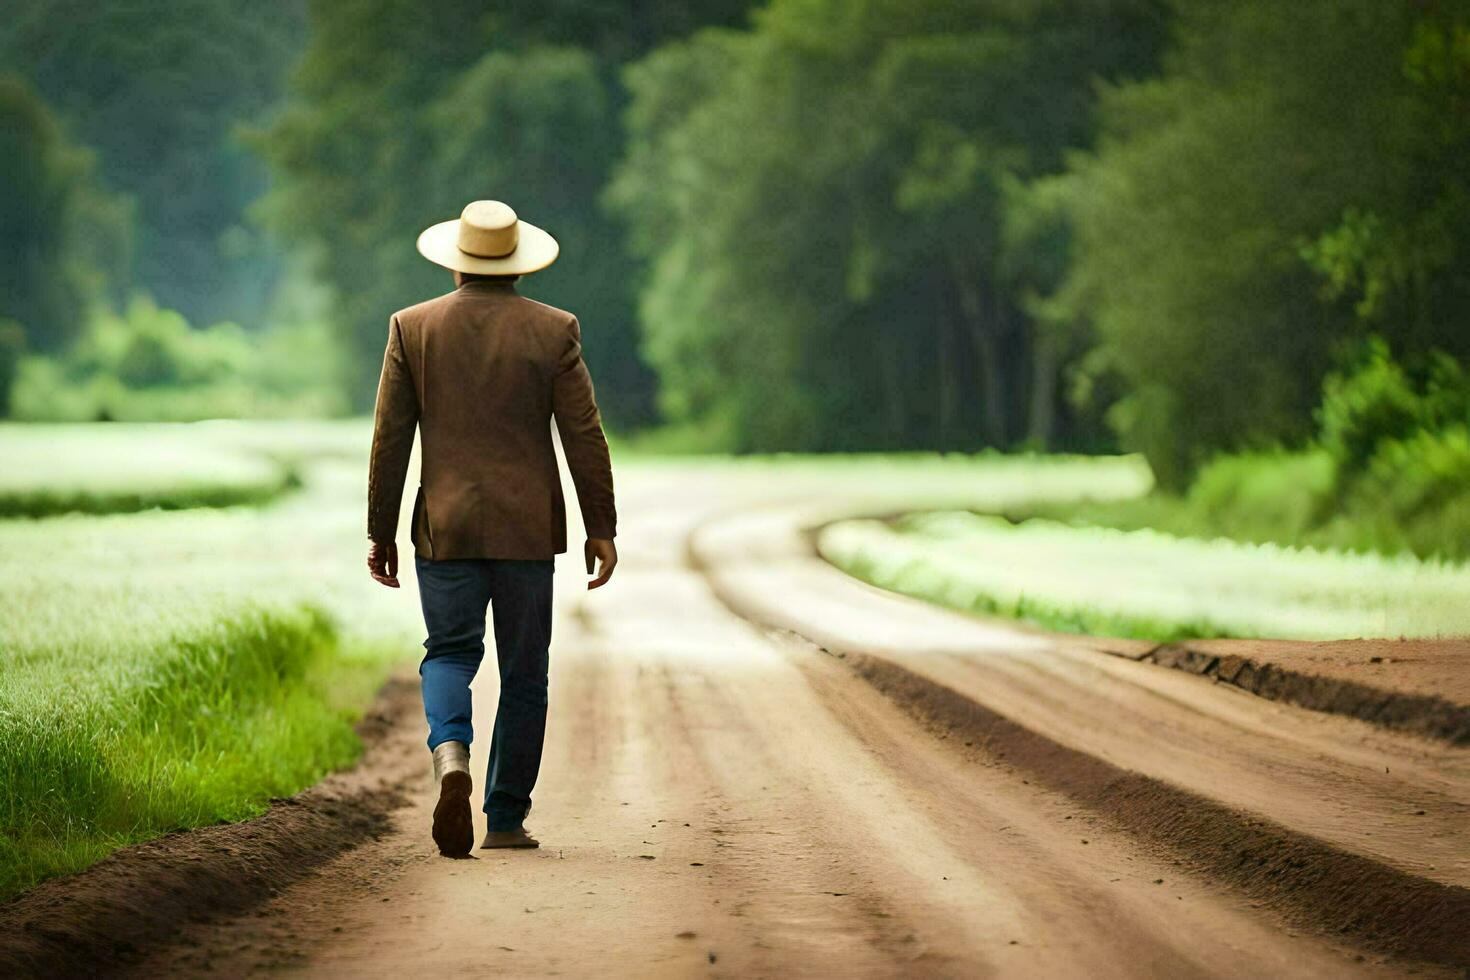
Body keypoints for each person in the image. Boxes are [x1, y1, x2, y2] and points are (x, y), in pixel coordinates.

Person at [365, 200, 618, 856]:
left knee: (449, 652)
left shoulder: (411, 328)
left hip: (444, 527)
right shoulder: (554, 329)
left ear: (456, 264)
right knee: (525, 671)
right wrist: (601, 525)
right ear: (518, 267)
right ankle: (504, 819)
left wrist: (381, 531)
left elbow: (391, 437)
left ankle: (451, 754)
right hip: (527, 531)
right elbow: (583, 433)